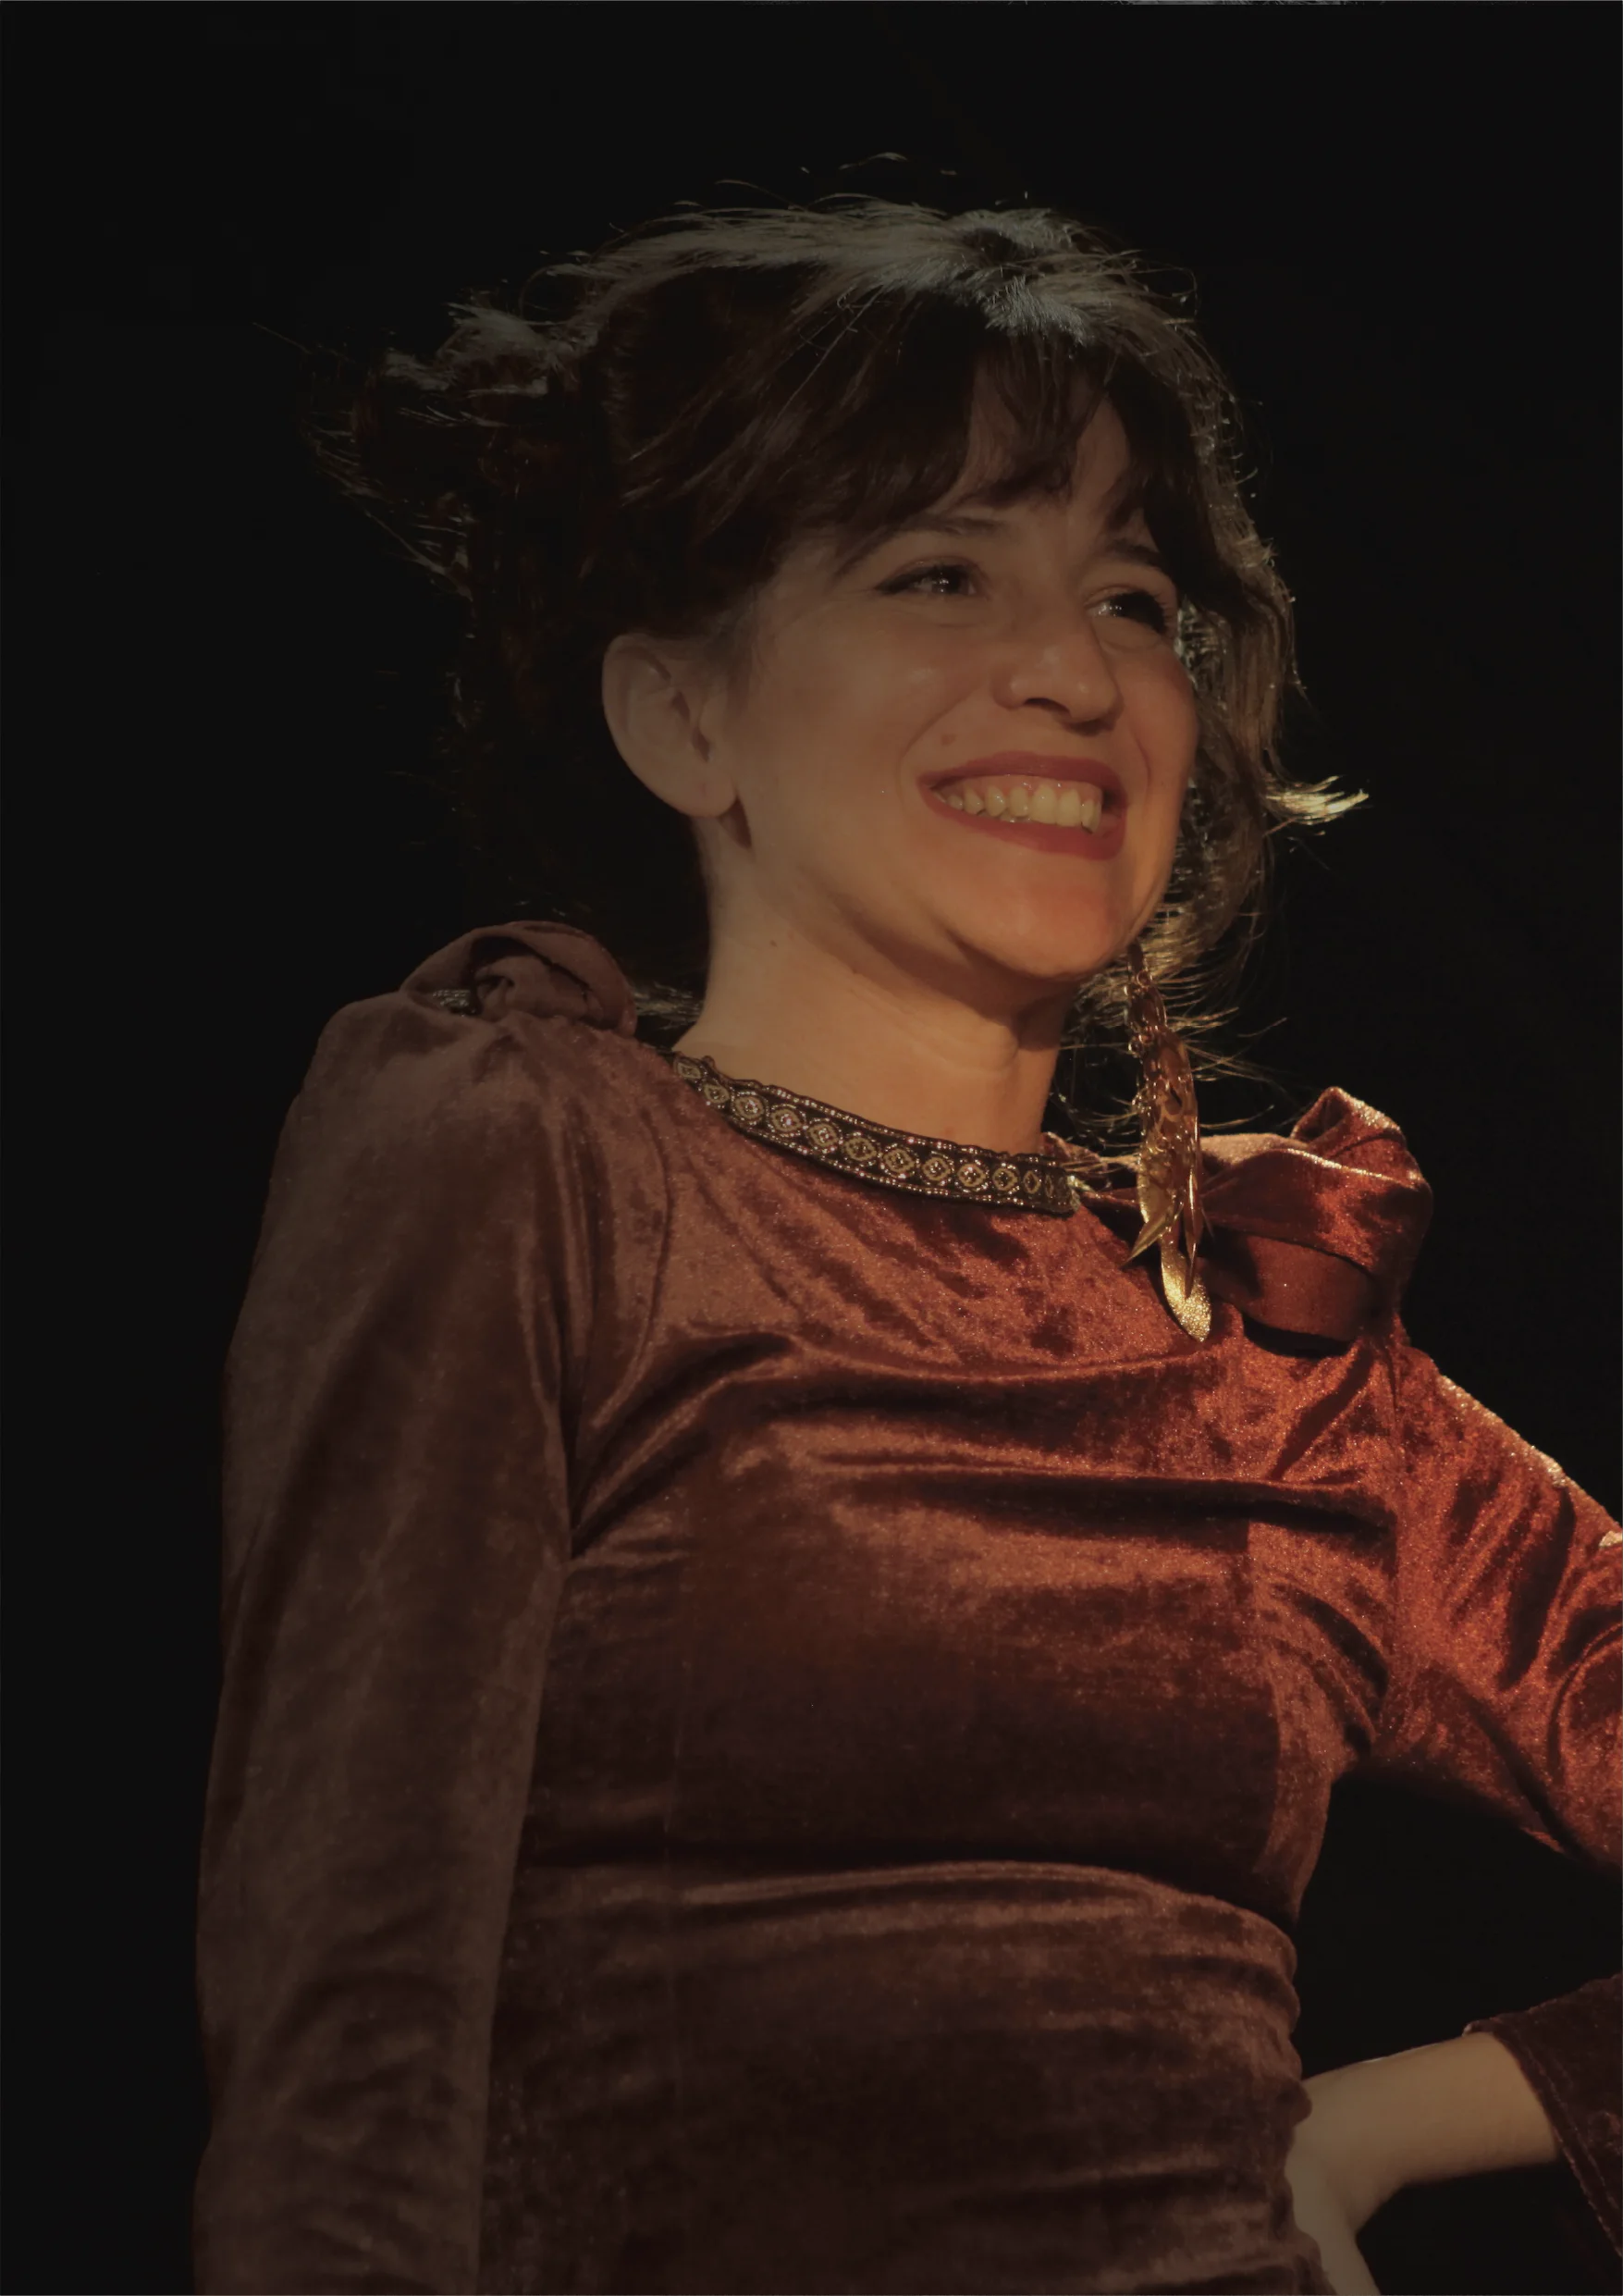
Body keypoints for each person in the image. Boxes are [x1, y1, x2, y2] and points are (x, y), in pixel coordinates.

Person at [192, 199, 1620, 2296]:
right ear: (682, 717)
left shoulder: (1276, 1340)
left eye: (1131, 597)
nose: (1070, 669)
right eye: (937, 571)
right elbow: (350, 2008)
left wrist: (1396, 2117)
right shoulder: (530, 1143)